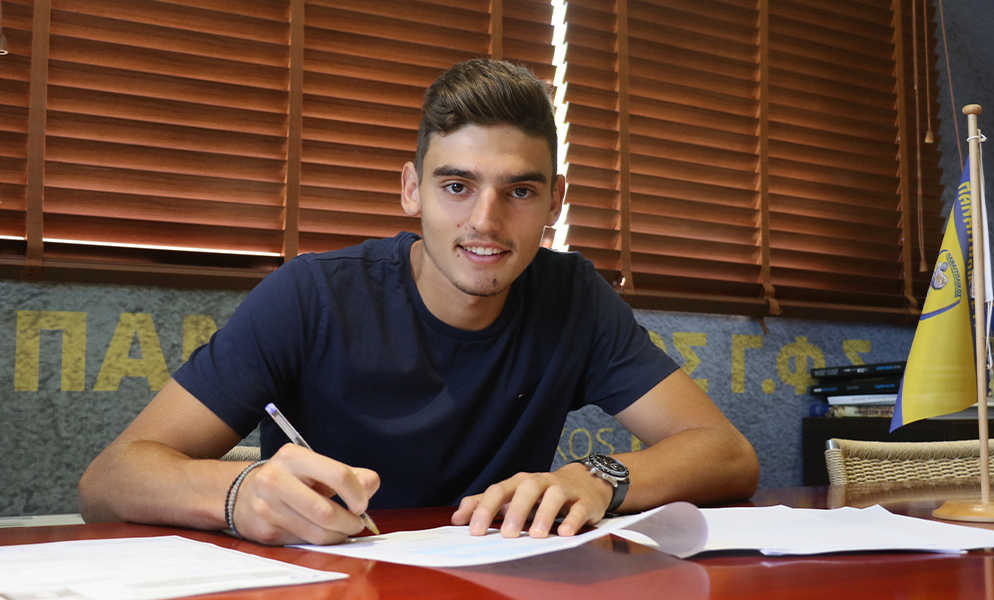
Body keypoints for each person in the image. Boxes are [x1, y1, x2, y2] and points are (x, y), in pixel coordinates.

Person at [78, 58, 758, 546]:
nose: (485, 222)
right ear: (412, 190)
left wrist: (598, 477)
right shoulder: (312, 295)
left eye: (520, 191)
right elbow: (107, 480)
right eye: (457, 186)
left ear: (555, 201)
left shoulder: (573, 295)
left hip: (498, 576)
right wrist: (236, 495)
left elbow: (726, 454)